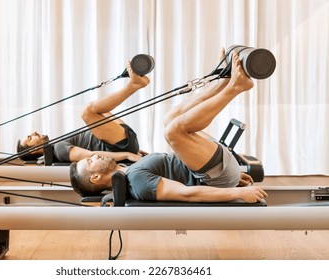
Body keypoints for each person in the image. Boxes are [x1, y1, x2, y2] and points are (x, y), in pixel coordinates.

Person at [69, 50, 268, 203]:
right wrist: (236, 191)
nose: (93, 155)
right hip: (214, 176)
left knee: (170, 118)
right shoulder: (137, 183)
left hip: (215, 168)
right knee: (172, 131)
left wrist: (232, 177)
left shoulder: (129, 169)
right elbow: (187, 194)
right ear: (95, 177)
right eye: (89, 161)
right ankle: (236, 87)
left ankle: (223, 82)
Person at [17, 62, 150, 163]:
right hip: (118, 147)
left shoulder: (58, 145)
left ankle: (134, 83)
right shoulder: (59, 149)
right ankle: (133, 85)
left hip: (120, 140)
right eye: (29, 138)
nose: (33, 132)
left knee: (101, 111)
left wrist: (135, 150)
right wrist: (127, 155)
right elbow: (90, 155)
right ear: (33, 150)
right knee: (87, 112)